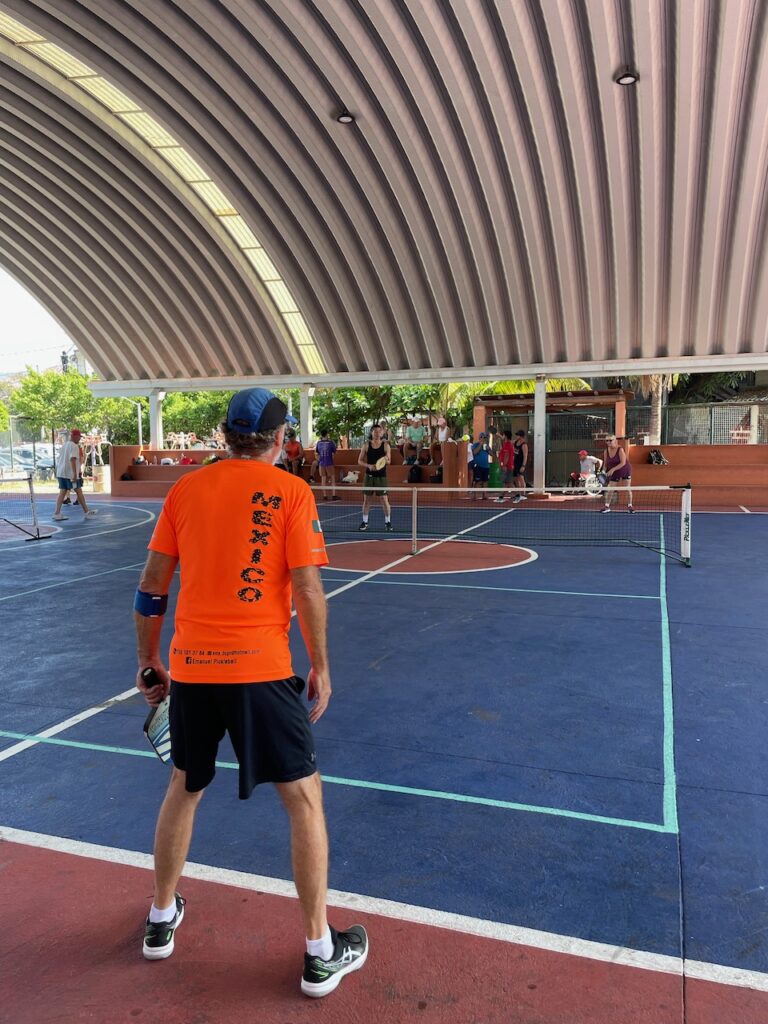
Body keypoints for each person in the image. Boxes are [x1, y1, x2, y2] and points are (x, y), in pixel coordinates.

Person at [134, 386, 368, 997]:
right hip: (261, 669)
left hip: (191, 668)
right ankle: (320, 950)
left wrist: (147, 659)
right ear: (281, 437)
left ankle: (160, 920)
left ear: (223, 432)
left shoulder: (185, 490)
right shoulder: (292, 492)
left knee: (184, 786)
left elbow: (152, 584)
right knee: (303, 798)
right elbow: (310, 589)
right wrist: (321, 666)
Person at [52, 429, 98, 521]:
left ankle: (57, 513)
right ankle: (86, 512)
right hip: (69, 474)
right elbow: (72, 459)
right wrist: (74, 474)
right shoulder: (74, 446)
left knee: (63, 492)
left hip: (61, 472)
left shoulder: (65, 445)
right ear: (74, 436)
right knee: (78, 491)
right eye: (79, 437)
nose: (79, 439)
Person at [357, 423, 393, 531]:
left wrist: (385, 460)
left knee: (384, 499)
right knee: (367, 500)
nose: (377, 433)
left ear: (382, 433)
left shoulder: (386, 445)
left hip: (381, 476)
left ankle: (388, 522)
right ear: (371, 433)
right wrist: (368, 466)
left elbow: (389, 461)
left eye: (379, 431)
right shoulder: (366, 445)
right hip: (369, 476)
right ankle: (365, 522)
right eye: (375, 431)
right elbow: (359, 461)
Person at [600, 435, 634, 513]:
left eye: (610, 440)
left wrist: (612, 469)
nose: (608, 442)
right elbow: (605, 464)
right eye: (607, 441)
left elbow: (623, 463)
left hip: (625, 469)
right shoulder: (606, 451)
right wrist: (603, 472)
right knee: (610, 489)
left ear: (615, 440)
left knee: (627, 488)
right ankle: (607, 506)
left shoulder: (620, 449)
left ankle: (630, 506)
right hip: (614, 471)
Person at [314, 430, 339, 501]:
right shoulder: (331, 443)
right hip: (329, 463)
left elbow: (317, 453)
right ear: (327, 434)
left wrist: (320, 459)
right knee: (333, 479)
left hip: (321, 464)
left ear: (321, 435)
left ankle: (325, 496)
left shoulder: (318, 443)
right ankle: (334, 495)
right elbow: (335, 452)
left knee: (323, 480)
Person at [471, 433, 491, 499]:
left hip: (486, 466)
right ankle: (474, 495)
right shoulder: (475, 444)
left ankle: (484, 495)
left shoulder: (486, 446)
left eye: (485, 438)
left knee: (485, 481)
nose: (484, 439)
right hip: (478, 466)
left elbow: (491, 454)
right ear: (479, 438)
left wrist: (488, 449)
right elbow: (474, 452)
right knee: (477, 481)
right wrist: (480, 444)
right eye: (482, 437)